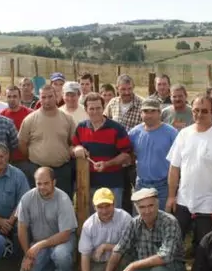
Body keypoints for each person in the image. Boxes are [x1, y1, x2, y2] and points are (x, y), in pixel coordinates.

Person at [166, 94, 212, 247]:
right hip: (183, 200)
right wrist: (172, 196)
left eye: (204, 111)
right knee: (174, 243)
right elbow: (174, 168)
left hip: (209, 204)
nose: (199, 115)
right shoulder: (184, 135)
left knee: (205, 246)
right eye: (196, 110)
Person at [71, 92, 132, 211]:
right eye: (91, 108)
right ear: (86, 109)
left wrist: (107, 164)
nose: (95, 112)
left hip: (113, 184)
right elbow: (72, 148)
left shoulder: (117, 129)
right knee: (92, 220)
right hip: (88, 183)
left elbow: (126, 155)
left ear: (103, 108)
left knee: (113, 218)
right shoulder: (81, 127)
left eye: (98, 108)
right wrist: (77, 149)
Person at [17, 167, 78, 271]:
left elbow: (65, 235)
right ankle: (49, 266)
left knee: (61, 255)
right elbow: (21, 228)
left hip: (61, 241)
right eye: (39, 183)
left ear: (54, 182)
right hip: (39, 243)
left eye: (46, 183)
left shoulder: (63, 199)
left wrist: (39, 245)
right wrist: (27, 254)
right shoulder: (27, 198)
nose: (42, 187)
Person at [75, 188, 133, 271]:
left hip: (121, 261)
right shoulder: (88, 225)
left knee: (126, 260)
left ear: (114, 204)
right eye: (100, 207)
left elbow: (131, 246)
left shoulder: (125, 218)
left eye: (107, 206)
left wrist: (107, 246)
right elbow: (85, 255)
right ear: (94, 207)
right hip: (99, 264)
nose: (104, 211)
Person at [17, 85, 75, 195]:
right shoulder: (30, 119)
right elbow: (22, 143)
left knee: (63, 201)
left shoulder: (67, 119)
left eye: (50, 96)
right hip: (37, 170)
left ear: (56, 97)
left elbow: (73, 142)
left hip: (62, 171)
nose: (47, 100)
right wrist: (33, 157)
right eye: (43, 97)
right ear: (40, 98)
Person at [128, 98, 178, 210]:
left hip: (163, 186)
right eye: (146, 111)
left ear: (159, 113)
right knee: (139, 219)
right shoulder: (134, 133)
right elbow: (126, 152)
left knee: (162, 220)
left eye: (153, 111)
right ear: (141, 113)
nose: (149, 115)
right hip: (141, 184)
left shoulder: (171, 133)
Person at [103, 74, 144, 214]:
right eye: (123, 89)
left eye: (129, 89)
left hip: (134, 158)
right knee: (120, 192)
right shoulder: (112, 103)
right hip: (116, 158)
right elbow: (105, 124)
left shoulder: (141, 104)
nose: (126, 92)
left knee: (137, 192)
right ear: (117, 88)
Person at [0, 85, 33, 179]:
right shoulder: (1, 117)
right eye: (9, 96)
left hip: (27, 160)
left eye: (15, 96)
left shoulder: (30, 114)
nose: (12, 99)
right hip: (8, 161)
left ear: (20, 97)